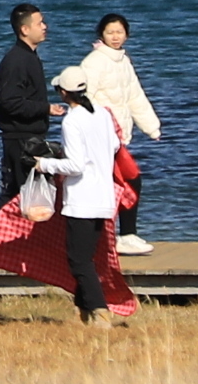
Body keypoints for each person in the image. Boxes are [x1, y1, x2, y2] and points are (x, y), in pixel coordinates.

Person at [47, 65, 137, 323]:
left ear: (63, 93)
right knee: (87, 257)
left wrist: (46, 164)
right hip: (104, 197)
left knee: (79, 260)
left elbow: (75, 165)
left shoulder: (72, 121)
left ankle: (100, 310)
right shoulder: (101, 113)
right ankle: (83, 311)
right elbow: (115, 145)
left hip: (82, 200)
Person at [78, 13, 164, 254]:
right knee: (129, 180)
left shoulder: (123, 61)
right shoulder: (94, 61)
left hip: (119, 138)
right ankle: (116, 237)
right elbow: (85, 97)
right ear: (101, 35)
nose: (115, 37)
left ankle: (125, 235)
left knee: (125, 182)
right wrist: (96, 128)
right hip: (102, 137)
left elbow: (135, 95)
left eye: (119, 32)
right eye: (110, 32)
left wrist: (151, 126)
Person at [0, 4, 53, 213]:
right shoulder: (17, 60)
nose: (45, 27)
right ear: (25, 29)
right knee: (17, 198)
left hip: (29, 137)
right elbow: (9, 102)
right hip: (20, 140)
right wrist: (45, 108)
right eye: (39, 23)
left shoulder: (29, 57)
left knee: (27, 198)